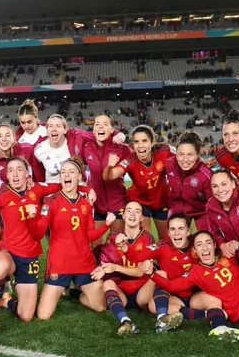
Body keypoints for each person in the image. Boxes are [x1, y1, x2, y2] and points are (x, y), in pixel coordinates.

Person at [0, 157, 93, 333]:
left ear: (27, 174)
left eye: (19, 170)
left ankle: (7, 300)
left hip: (29, 257)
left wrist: (87, 189)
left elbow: (64, 185)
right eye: (10, 170)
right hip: (9, 251)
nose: (15, 174)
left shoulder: (37, 189)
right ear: (6, 175)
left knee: (26, 315)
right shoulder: (0, 195)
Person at [30, 158, 111, 320]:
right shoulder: (50, 203)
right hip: (60, 264)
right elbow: (38, 235)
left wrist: (106, 226)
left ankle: (76, 293)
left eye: (71, 172)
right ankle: (67, 287)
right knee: (44, 315)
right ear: (60, 178)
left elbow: (90, 236)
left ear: (80, 177)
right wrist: (33, 218)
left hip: (84, 263)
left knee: (100, 306)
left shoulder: (87, 205)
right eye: (63, 172)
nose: (66, 175)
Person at [91, 201, 183, 335]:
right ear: (123, 215)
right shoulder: (112, 237)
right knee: (108, 283)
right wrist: (102, 268)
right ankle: (126, 322)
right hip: (121, 290)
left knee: (161, 274)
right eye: (128, 210)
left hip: (142, 293)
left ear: (141, 218)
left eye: (137, 211)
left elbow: (140, 270)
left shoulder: (147, 238)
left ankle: (162, 319)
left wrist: (115, 267)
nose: (132, 214)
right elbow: (108, 262)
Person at [103, 125, 173, 240]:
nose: (140, 146)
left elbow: (182, 161)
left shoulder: (164, 153)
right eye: (136, 142)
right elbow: (109, 176)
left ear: (152, 142)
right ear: (133, 145)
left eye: (144, 141)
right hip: (140, 201)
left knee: (165, 238)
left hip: (161, 200)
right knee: (147, 236)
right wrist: (109, 166)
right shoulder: (130, 159)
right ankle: (147, 257)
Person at [83, 115, 132, 245]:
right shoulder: (87, 147)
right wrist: (87, 189)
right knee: (95, 245)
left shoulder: (123, 149)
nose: (100, 126)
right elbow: (77, 172)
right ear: (93, 130)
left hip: (118, 204)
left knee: (116, 245)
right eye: (97, 124)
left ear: (111, 130)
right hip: (96, 205)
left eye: (105, 124)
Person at [166, 131, 213, 231]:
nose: (185, 160)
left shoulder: (206, 175)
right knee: (175, 239)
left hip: (201, 211)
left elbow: (213, 203)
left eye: (190, 154)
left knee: (206, 241)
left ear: (197, 155)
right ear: (176, 153)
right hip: (176, 208)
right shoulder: (169, 163)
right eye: (181, 154)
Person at [0, 123, 34, 189]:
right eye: (0, 136)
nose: (4, 139)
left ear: (14, 138)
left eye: (8, 135)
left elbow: (38, 175)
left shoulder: (27, 149)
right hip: (5, 195)